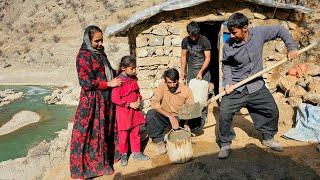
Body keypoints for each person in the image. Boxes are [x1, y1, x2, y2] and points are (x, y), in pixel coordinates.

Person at [218, 12, 298, 159]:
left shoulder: (259, 33)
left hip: (256, 85)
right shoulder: (228, 45)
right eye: (230, 32)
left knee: (271, 110)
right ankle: (225, 143)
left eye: (234, 32)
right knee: (224, 112)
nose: (232, 36)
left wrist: (291, 46)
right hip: (237, 86)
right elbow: (226, 66)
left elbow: (281, 29)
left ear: (245, 28)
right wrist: (228, 82)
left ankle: (268, 138)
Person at [70, 25, 123, 179]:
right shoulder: (83, 56)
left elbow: (109, 72)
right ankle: (87, 169)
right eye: (96, 41)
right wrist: (108, 84)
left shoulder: (100, 53)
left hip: (105, 100)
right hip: (92, 102)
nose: (100, 44)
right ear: (88, 40)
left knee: (104, 131)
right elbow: (86, 83)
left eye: (101, 40)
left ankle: (106, 162)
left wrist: (123, 72)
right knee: (89, 134)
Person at [111, 55, 150, 167]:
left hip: (135, 112)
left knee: (135, 132)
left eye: (134, 68)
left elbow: (137, 92)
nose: (134, 70)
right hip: (124, 113)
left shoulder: (133, 79)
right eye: (132, 68)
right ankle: (124, 154)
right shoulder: (119, 81)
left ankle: (137, 152)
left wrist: (138, 98)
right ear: (123, 68)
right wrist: (129, 104)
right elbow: (115, 99)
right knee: (123, 135)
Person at [145, 68, 194, 155]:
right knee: (151, 114)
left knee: (198, 119)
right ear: (165, 81)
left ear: (178, 80)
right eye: (169, 83)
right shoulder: (161, 86)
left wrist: (186, 123)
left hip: (180, 117)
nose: (172, 85)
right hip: (166, 116)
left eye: (174, 82)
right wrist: (170, 116)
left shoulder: (186, 90)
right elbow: (154, 103)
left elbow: (189, 108)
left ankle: (180, 130)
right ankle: (159, 141)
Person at [180, 21, 212, 127]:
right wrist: (183, 71)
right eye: (191, 36)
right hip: (191, 70)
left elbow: (208, 58)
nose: (193, 38)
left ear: (198, 33)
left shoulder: (205, 41)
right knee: (191, 95)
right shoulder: (185, 41)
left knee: (203, 94)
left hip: (204, 70)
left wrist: (201, 72)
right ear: (188, 33)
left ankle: (203, 116)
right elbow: (184, 56)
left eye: (195, 36)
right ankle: (193, 117)